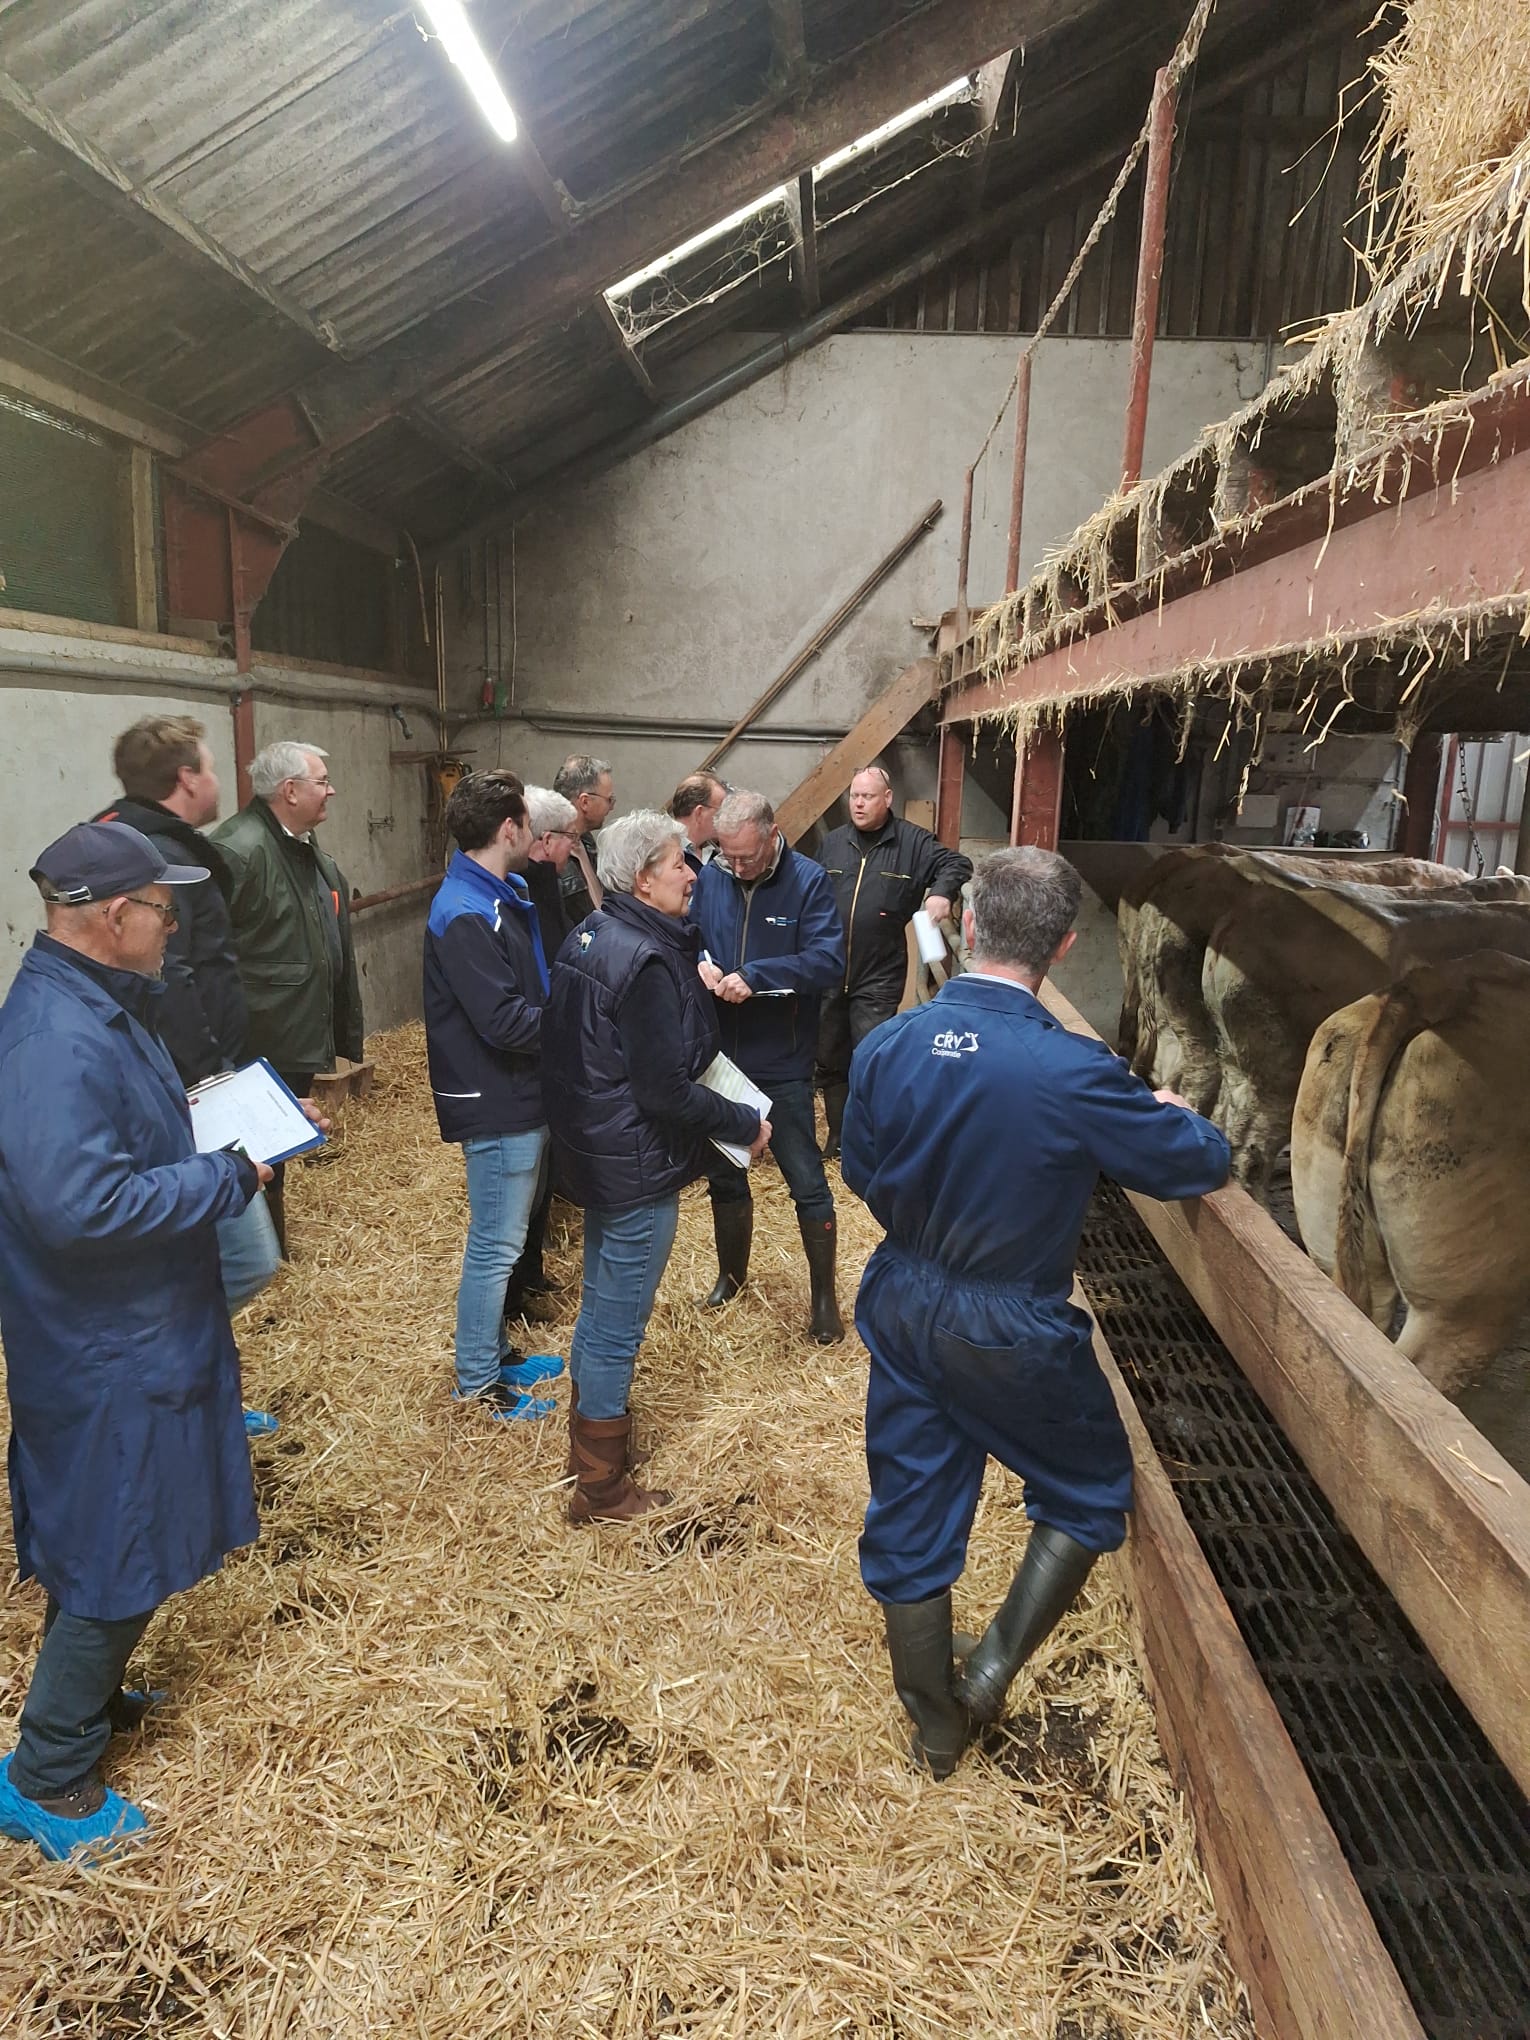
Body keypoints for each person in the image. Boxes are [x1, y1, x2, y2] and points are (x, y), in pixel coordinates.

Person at [841, 847, 1230, 1779]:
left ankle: (935, 1727)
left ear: (968, 926)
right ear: (1062, 943)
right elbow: (1193, 1164)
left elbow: (859, 1168)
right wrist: (1180, 1112)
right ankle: (989, 1673)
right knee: (1092, 1489)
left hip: (901, 1296)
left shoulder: (888, 1045)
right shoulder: (1074, 1069)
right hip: (1008, 1320)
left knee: (911, 1500)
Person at [0, 823, 268, 1861]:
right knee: (121, 1545)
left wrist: (188, 1122)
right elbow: (79, 1204)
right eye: (165, 907)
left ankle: (90, 1701)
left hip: (129, 1325)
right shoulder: (55, 1039)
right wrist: (222, 1178)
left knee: (120, 1530)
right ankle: (46, 1773)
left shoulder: (90, 1007)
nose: (174, 923)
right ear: (116, 917)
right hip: (106, 1341)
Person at [542, 811, 769, 1521]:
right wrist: (742, 1124)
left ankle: (591, 1451)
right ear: (643, 878)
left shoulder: (595, 934)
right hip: (636, 1162)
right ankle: (602, 1488)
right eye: (679, 862)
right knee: (618, 1322)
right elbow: (663, 1090)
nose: (693, 873)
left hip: (599, 1150)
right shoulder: (642, 959)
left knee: (601, 1305)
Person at [94, 717, 286, 1436]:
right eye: (210, 768)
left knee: (220, 1254)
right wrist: (214, 1078)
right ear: (186, 780)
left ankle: (200, 1397)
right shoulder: (160, 860)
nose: (217, 781)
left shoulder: (133, 841)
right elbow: (174, 977)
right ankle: (172, 1401)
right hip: (188, 1089)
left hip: (186, 1080)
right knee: (242, 1257)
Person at [424, 771, 564, 1420]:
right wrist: (579, 1026)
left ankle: (495, 1354)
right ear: (509, 829)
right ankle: (479, 1385)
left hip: (516, 1091)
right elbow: (504, 1021)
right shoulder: (465, 912)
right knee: (495, 1246)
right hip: (496, 1096)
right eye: (530, 825)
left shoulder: (493, 894)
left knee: (501, 1240)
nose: (535, 836)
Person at [691, 789, 847, 1343]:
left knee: (806, 1179)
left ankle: (824, 1298)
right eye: (727, 856)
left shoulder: (807, 880)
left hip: (780, 1058)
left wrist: (759, 974)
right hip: (721, 1059)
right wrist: (702, 967)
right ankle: (731, 1278)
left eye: (746, 858)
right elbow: (693, 937)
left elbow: (829, 960)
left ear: (773, 834)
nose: (736, 867)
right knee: (725, 1177)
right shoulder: (713, 876)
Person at [213, 740, 363, 1255]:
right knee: (255, 1147)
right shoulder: (240, 849)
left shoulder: (301, 844)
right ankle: (257, 1250)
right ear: (289, 790)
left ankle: (273, 1245)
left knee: (276, 1145)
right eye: (322, 781)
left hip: (291, 1025)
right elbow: (209, 953)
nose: (331, 790)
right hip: (261, 1031)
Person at [814, 764, 972, 1159]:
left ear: (887, 799)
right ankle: (837, 1137)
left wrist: (941, 893)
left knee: (872, 1058)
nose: (859, 803)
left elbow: (958, 865)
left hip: (879, 972)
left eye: (868, 796)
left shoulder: (914, 843)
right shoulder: (832, 844)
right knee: (830, 1058)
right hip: (830, 969)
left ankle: (870, 1143)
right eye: (854, 795)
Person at [505, 783, 579, 1323]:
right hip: (533, 1047)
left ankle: (530, 1274)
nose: (573, 848)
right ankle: (513, 1296)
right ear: (544, 838)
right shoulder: (521, 888)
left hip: (548, 1041)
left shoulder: (544, 883)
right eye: (569, 838)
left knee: (543, 1176)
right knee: (523, 1190)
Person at [553, 754, 615, 924]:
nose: (611, 807)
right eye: (609, 800)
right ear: (585, 802)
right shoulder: (550, 854)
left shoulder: (587, 842)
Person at [669, 770, 728, 872]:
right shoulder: (662, 853)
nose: (726, 817)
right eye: (722, 810)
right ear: (699, 813)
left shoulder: (718, 855)